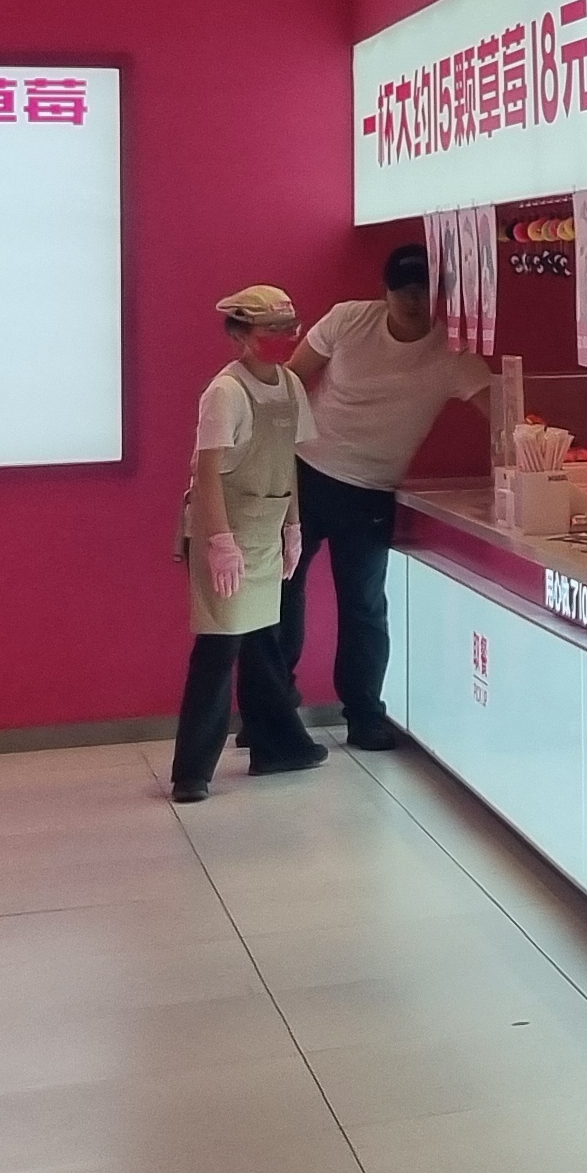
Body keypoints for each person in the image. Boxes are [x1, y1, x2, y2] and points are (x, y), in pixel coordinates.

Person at [281, 240, 495, 749]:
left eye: (422, 290)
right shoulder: (348, 320)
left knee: (364, 608)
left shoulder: (453, 353)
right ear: (385, 291)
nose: (413, 300)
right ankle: (272, 712)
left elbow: (506, 412)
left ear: (437, 293)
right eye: (404, 290)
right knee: (283, 594)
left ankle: (364, 716)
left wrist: (550, 449)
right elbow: (290, 381)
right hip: (306, 472)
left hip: (371, 491)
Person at [174, 283, 323, 804]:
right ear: (239, 335)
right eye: (271, 330)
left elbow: (290, 461)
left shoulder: (290, 386)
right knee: (220, 645)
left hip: (267, 530)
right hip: (228, 530)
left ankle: (280, 746)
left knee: (262, 643)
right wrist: (220, 541)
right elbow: (208, 473)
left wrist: (294, 527)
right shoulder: (226, 392)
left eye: (289, 328)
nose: (284, 338)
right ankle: (192, 772)